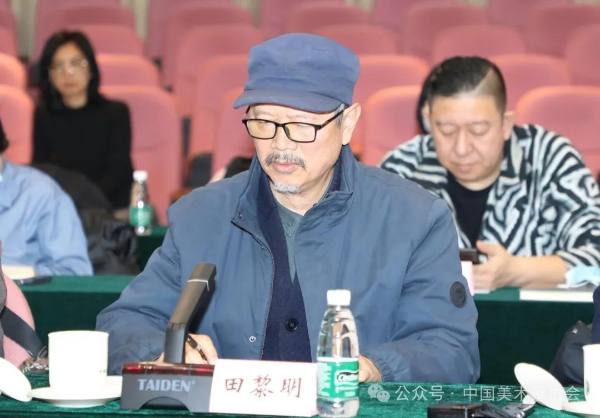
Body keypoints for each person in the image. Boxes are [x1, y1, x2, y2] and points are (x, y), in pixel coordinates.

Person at [97, 34, 480, 383]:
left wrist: (374, 367)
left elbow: (451, 350)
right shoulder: (200, 216)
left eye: (300, 125)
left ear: (347, 124)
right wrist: (165, 351)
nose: (281, 145)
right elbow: (122, 323)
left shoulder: (415, 218)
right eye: (263, 122)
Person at [380, 56, 600, 291]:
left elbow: (595, 254)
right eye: (447, 130)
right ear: (428, 121)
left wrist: (518, 272)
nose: (462, 148)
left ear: (506, 124)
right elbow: (366, 255)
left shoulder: (549, 158)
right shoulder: (401, 171)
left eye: (478, 131)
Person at [33, 31, 134, 209]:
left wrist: (82, 201)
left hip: (111, 208)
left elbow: (118, 172)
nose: (67, 73)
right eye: (58, 66)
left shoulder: (116, 112)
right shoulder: (44, 116)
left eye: (75, 64)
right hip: (64, 209)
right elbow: (42, 170)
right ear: (49, 75)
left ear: (91, 68)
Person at [0, 120, 92, 276]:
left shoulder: (41, 194)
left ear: (2, 150)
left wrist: (17, 274)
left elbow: (76, 272)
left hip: (21, 289)